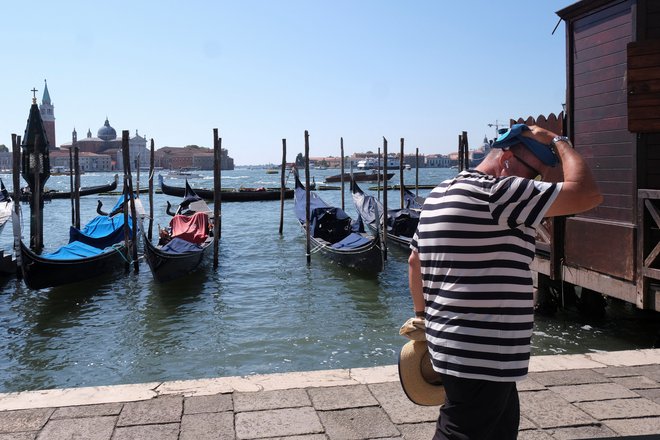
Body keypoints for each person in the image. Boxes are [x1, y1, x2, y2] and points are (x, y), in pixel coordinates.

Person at [408, 124, 602, 440]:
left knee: (498, 426)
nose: (535, 183)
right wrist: (560, 142)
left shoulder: (439, 194)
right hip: (483, 350)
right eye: (534, 174)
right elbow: (588, 192)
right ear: (507, 158)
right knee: (461, 432)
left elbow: (415, 262)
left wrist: (421, 317)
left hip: (450, 344)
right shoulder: (499, 193)